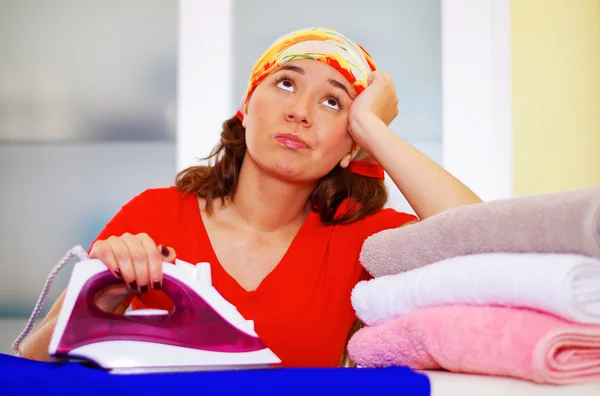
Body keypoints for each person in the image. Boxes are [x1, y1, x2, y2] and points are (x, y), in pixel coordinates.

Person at [17, 27, 482, 367]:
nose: (300, 112)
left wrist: (374, 129)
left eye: (333, 102)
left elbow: (482, 244)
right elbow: (30, 363)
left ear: (351, 147)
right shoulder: (154, 214)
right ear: (245, 107)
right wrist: (104, 299)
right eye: (286, 83)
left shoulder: (362, 242)